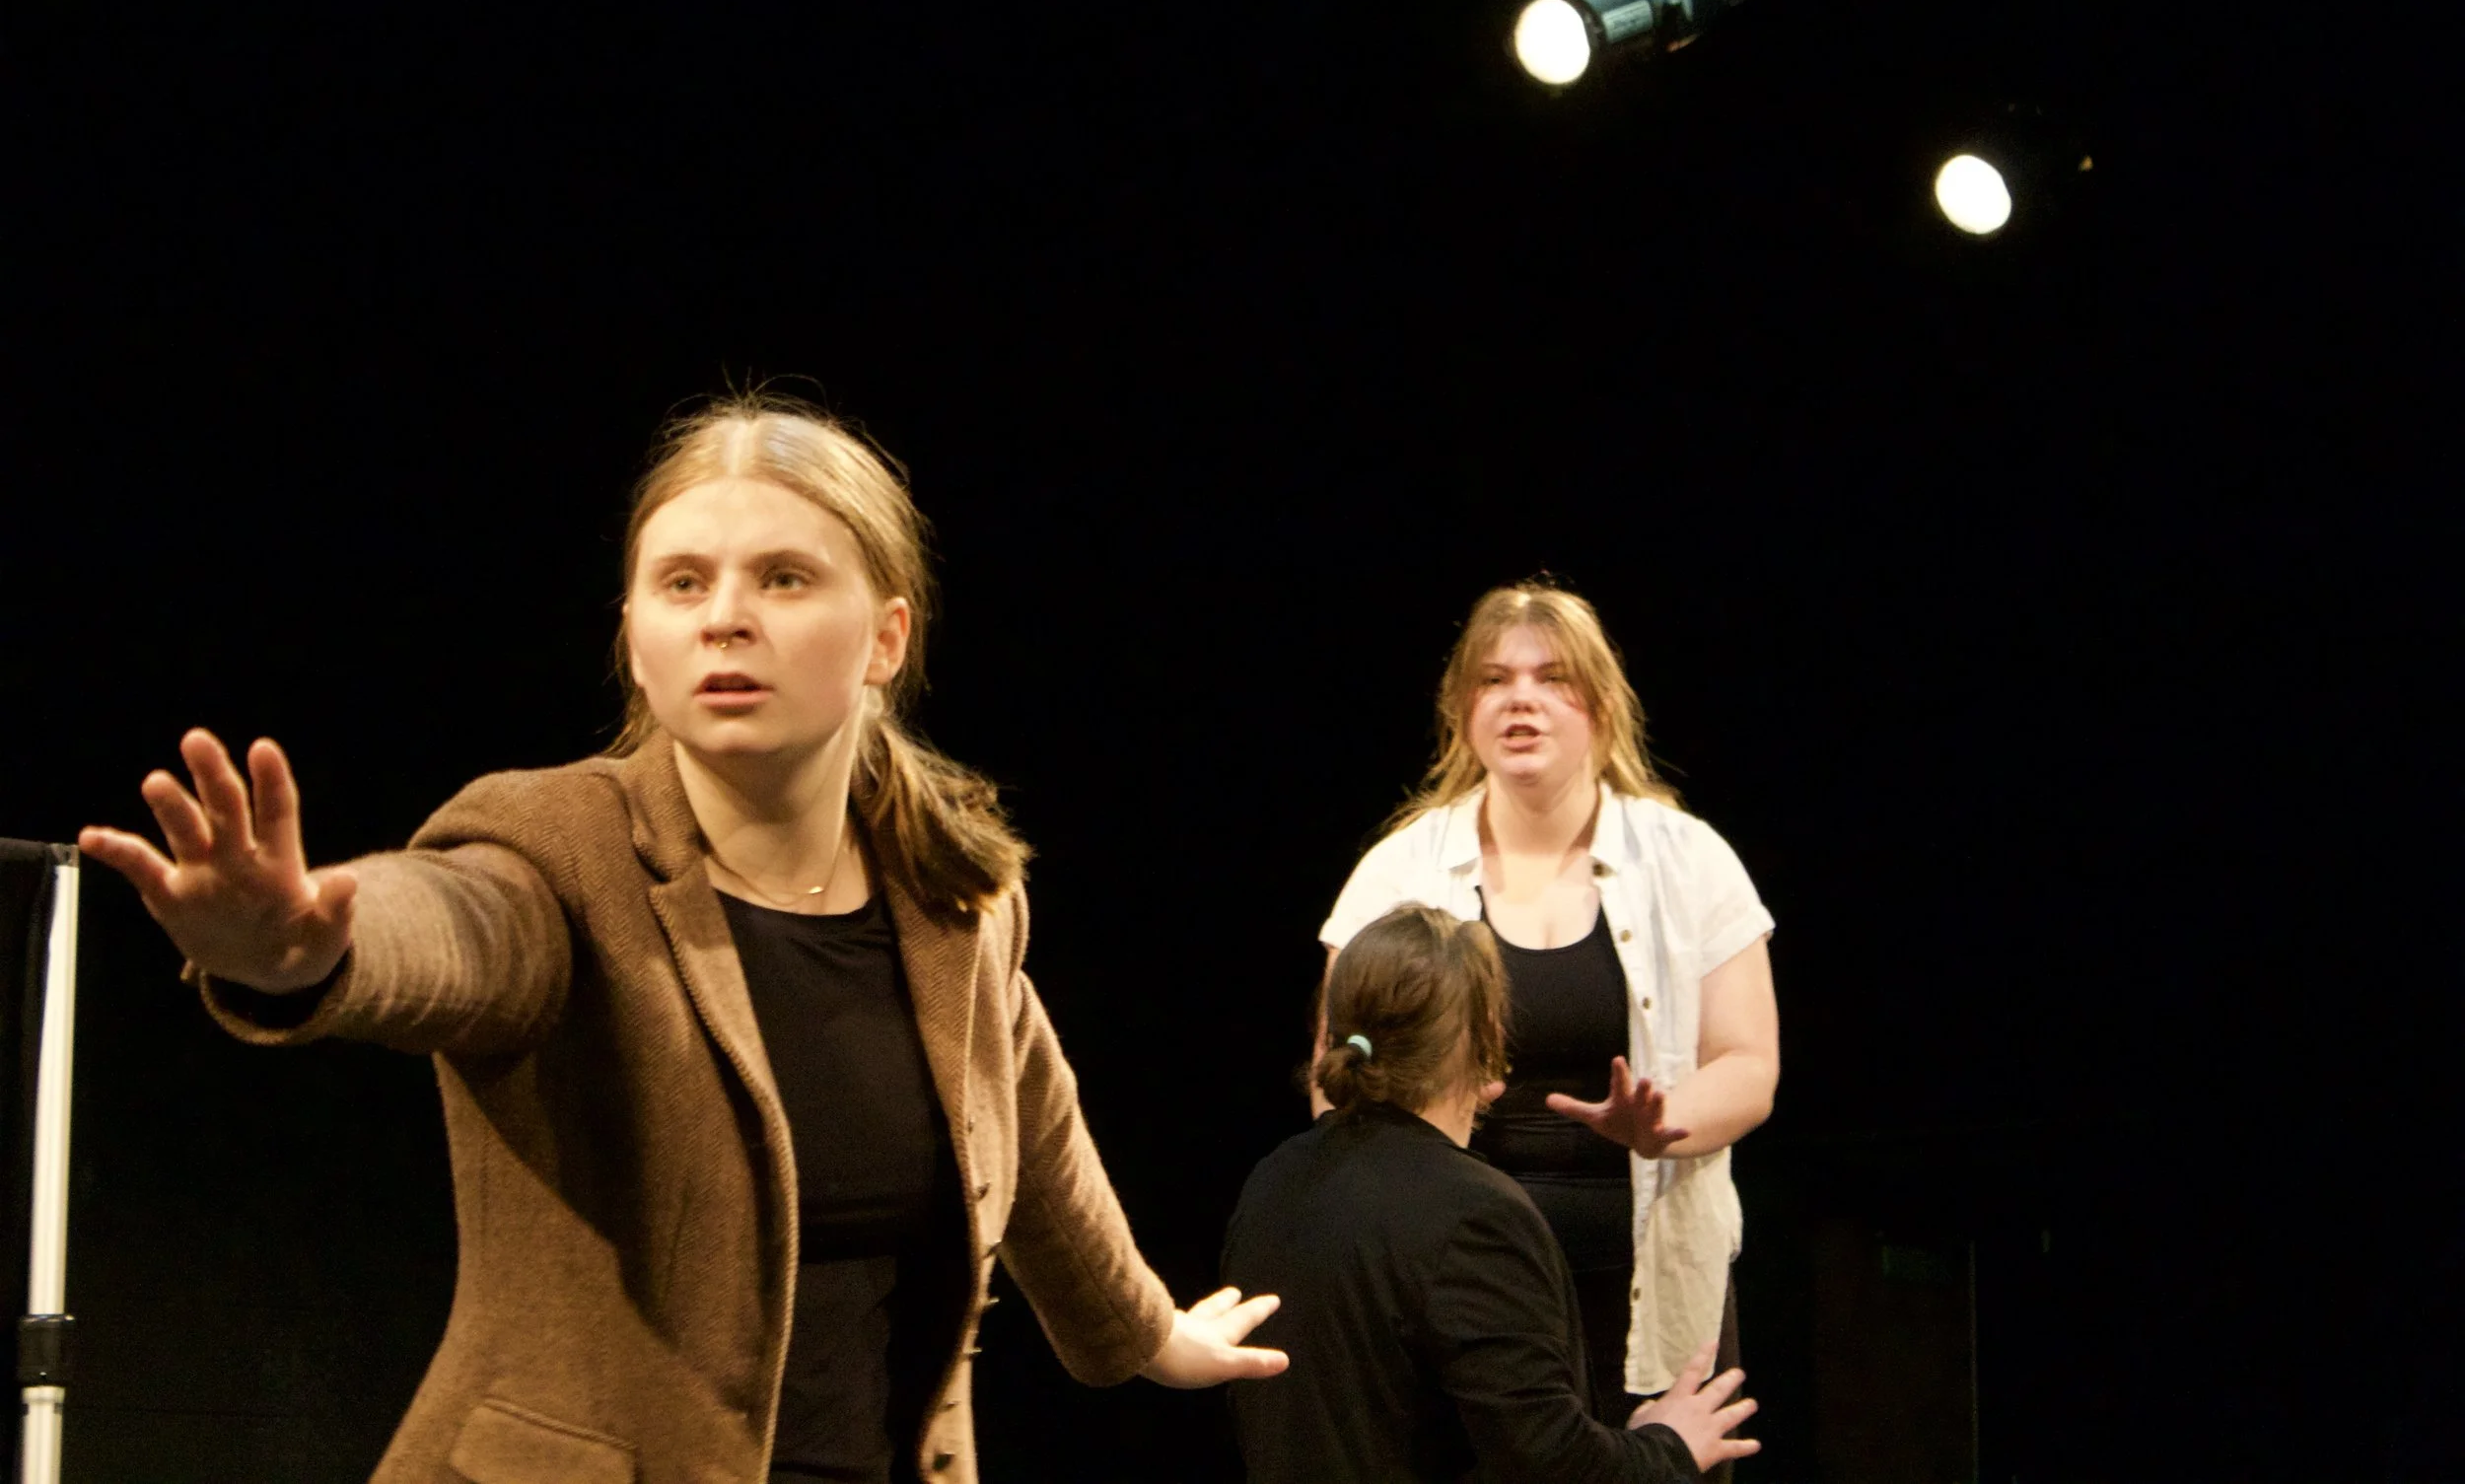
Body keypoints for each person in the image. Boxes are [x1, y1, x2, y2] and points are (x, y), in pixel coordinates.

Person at [79, 391, 1287, 1484]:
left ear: (885, 638)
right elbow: (456, 925)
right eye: (683, 582)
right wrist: (305, 955)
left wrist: (1151, 1333)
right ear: (633, 636)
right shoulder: (558, 847)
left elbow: (1030, 1131)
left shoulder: (952, 898)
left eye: (783, 578)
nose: (725, 619)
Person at [1311, 584, 1779, 1439]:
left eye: (1551, 676)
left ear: (1600, 703)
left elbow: (1749, 1064)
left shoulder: (1689, 859)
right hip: (1461, 1284)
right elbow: (1339, 1076)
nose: (1519, 697)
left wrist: (1661, 1121)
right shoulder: (1398, 872)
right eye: (1494, 679)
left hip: (1654, 1283)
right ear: (1463, 711)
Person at [1227, 902, 1758, 1483]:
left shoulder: (1274, 1180)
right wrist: (1669, 1447)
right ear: (1489, 1042)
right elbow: (1551, 1466)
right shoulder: (1474, 1216)